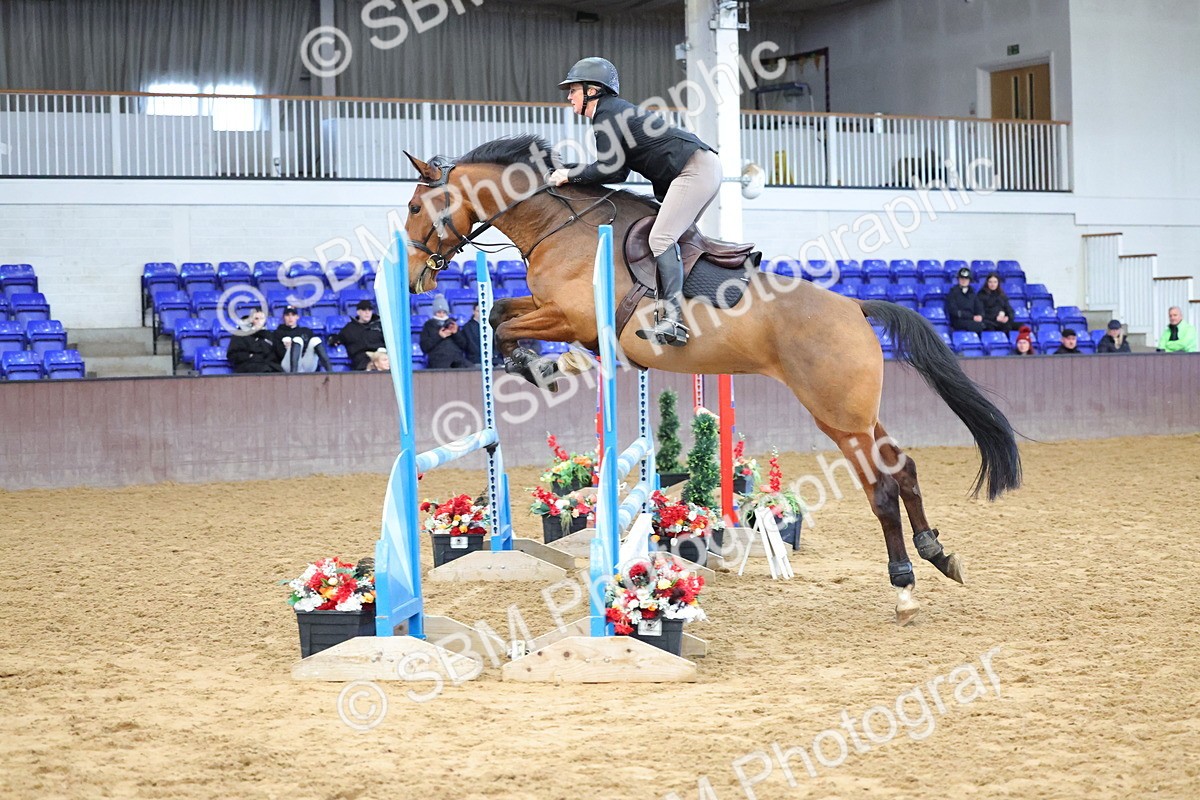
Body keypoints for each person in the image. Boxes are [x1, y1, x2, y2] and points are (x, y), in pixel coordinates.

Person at [547, 57, 720, 347]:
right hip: (698, 167)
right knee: (671, 237)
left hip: (694, 169)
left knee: (662, 238)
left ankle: (674, 320)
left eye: (574, 89)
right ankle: (694, 304)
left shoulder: (605, 115)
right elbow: (616, 168)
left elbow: (610, 171)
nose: (569, 96)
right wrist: (570, 171)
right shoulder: (613, 112)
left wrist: (569, 175)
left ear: (593, 90)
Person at [273, 306, 331, 373]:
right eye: (287, 315)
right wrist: (290, 348)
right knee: (297, 340)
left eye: (293, 315)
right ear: (284, 317)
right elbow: (278, 353)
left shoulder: (306, 331)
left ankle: (330, 372)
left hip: (305, 364)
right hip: (288, 365)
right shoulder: (278, 333)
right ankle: (293, 375)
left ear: (297, 317)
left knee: (316, 340)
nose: (290, 318)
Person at [420, 295, 471, 369]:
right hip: (437, 361)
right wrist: (439, 336)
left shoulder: (452, 323)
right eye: (439, 312)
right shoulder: (428, 325)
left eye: (444, 312)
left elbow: (464, 345)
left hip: (456, 361)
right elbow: (424, 347)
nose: (441, 315)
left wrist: (456, 333)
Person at [334, 300, 386, 371]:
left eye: (370, 310)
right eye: (364, 310)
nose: (367, 312)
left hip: (380, 353)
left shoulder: (379, 325)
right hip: (362, 358)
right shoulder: (350, 328)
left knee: (383, 359)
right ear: (358, 312)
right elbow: (338, 338)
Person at [226, 309, 282, 373]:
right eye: (256, 318)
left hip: (269, 366)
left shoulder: (270, 336)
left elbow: (276, 355)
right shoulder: (240, 334)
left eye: (261, 319)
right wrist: (250, 356)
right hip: (247, 368)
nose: (259, 321)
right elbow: (232, 355)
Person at [944, 267, 985, 332]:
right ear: (958, 279)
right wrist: (972, 317)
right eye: (961, 278)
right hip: (958, 320)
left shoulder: (973, 293)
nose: (963, 280)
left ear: (969, 280)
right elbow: (953, 311)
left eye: (966, 279)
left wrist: (980, 316)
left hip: (972, 320)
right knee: (977, 326)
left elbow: (979, 307)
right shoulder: (953, 292)